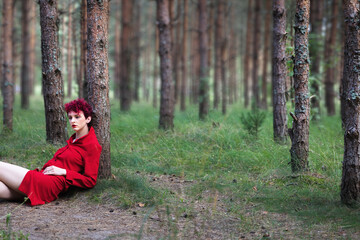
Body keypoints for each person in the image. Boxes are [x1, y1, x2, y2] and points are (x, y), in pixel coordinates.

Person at [0, 99, 102, 206]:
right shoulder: (73, 141)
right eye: (70, 117)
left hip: (49, 184)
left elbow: (90, 180)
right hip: (43, 177)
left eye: (77, 117)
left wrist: (64, 172)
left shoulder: (92, 146)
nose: (73, 121)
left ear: (88, 119)